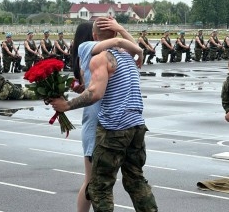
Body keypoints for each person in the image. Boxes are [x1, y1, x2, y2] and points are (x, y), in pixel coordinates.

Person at [51, 17, 158, 212]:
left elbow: (95, 93)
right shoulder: (127, 56)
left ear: (93, 36)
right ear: (115, 33)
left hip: (113, 127)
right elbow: (126, 45)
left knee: (98, 187)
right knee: (136, 180)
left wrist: (66, 106)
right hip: (137, 125)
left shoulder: (101, 57)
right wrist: (136, 47)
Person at [69, 19, 144, 212]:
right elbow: (122, 44)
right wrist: (122, 34)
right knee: (93, 182)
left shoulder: (107, 56)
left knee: (97, 182)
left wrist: (122, 35)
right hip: (97, 122)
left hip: (109, 122)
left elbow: (128, 47)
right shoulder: (90, 49)